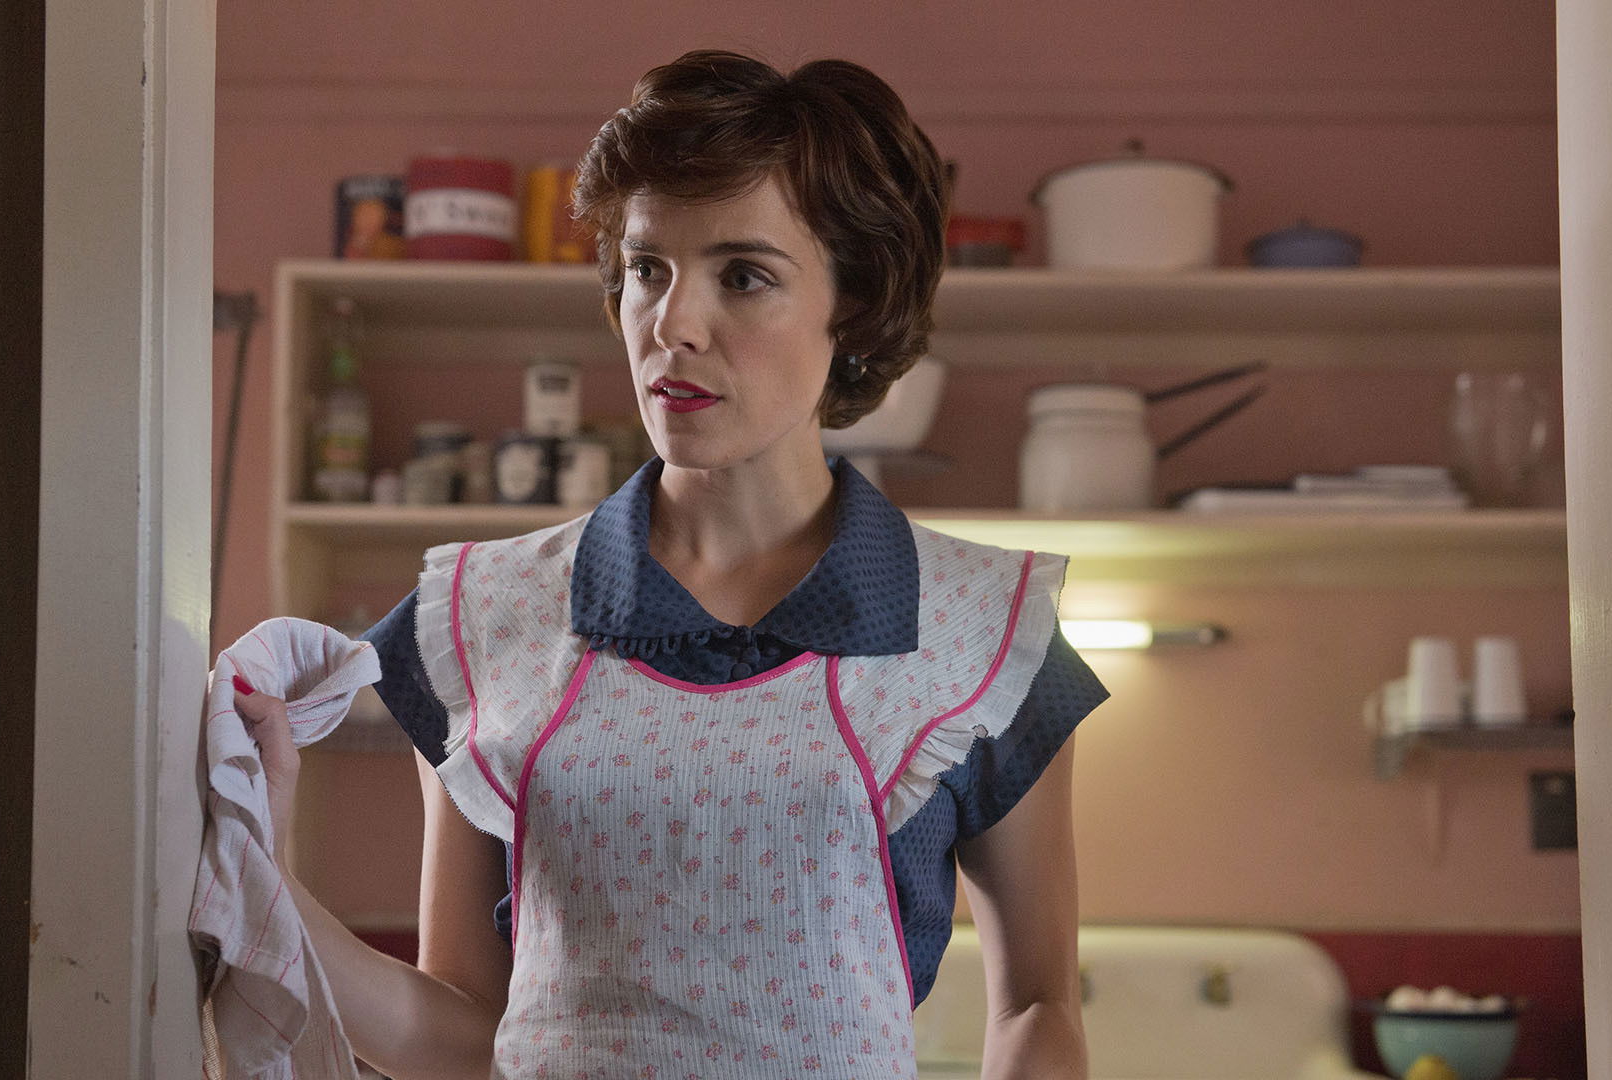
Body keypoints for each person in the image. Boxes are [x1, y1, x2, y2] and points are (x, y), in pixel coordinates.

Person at [235, 49, 1109, 1080]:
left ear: (855, 307)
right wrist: (261, 875)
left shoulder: (984, 628)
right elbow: (458, 1032)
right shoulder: (481, 615)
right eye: (648, 268)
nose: (672, 324)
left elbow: (1039, 1004)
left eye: (744, 276)